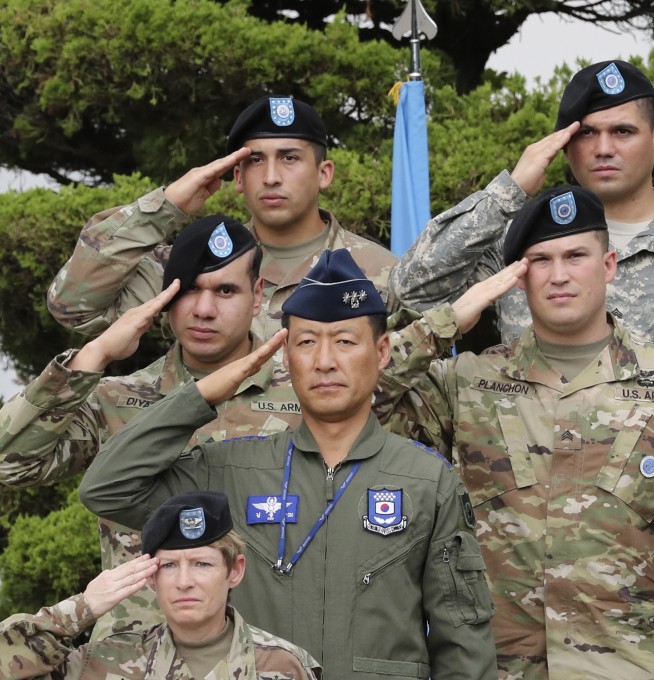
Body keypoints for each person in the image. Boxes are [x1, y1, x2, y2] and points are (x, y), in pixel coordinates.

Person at [389, 59, 654, 678]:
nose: (603, 148)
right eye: (586, 133)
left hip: (652, 608)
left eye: (622, 131)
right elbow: (408, 291)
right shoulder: (512, 245)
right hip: (517, 610)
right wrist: (509, 191)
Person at [79, 249, 497, 680]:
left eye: (345, 341)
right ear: (286, 355)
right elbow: (108, 489)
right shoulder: (231, 471)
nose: (325, 361)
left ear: (382, 351)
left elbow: (463, 645)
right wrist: (202, 395)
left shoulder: (427, 479)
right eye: (306, 342)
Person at [0, 215, 302, 641]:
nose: (204, 309)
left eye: (225, 291)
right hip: (136, 653)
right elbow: (10, 464)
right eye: (190, 289)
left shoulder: (306, 395)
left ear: (257, 296)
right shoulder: (118, 399)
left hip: (266, 651)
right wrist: (95, 354)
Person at [47, 95, 398, 343]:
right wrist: (165, 206)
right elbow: (74, 307)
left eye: (289, 158)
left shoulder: (381, 273)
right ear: (238, 177)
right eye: (255, 160)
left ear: (324, 173)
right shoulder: (192, 264)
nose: (271, 177)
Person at [0, 490, 321, 679]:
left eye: (202, 564)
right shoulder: (104, 662)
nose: (184, 582)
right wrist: (81, 608)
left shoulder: (285, 665)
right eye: (169, 566)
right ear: (151, 578)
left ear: (234, 571)